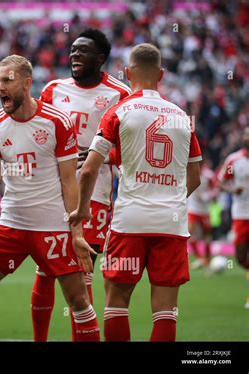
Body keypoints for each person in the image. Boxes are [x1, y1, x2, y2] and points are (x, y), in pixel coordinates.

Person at [0, 55, 100, 342]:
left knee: (79, 301)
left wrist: (76, 232)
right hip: (12, 223)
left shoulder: (57, 122)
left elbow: (69, 180)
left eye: (7, 80)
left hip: (52, 225)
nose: (0, 87)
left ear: (26, 83)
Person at [69, 43, 202, 341]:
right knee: (166, 310)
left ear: (128, 73)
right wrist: (172, 202)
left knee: (117, 303)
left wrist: (80, 211)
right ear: (162, 74)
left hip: (130, 222)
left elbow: (89, 169)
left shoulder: (119, 110)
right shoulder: (182, 116)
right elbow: (194, 176)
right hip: (171, 223)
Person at [32, 28, 131, 341]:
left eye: (82, 51)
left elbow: (130, 148)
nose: (74, 55)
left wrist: (103, 154)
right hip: (53, 191)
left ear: (100, 59)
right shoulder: (52, 89)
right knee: (45, 271)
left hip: (94, 195)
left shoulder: (120, 94)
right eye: (72, 50)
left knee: (81, 272)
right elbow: (37, 130)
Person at [218, 127, 249, 308]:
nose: (246, 137)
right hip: (240, 214)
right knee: (239, 257)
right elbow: (221, 181)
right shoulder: (234, 160)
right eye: (245, 134)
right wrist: (232, 189)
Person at [188, 160, 217, 269]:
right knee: (189, 233)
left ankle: (207, 259)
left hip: (205, 210)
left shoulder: (209, 175)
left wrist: (206, 196)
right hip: (193, 209)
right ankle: (200, 258)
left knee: (207, 235)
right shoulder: (189, 172)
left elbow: (216, 189)